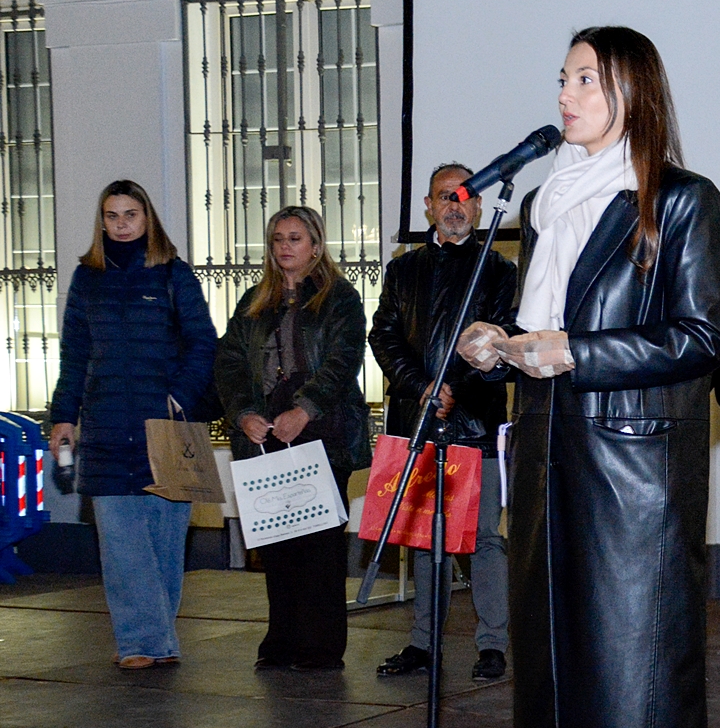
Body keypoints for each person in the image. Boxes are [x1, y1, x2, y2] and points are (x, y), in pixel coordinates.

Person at [457, 26, 720, 728]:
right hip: (542, 454)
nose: (564, 93)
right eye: (562, 77)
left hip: (633, 481)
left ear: (630, 93)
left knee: (631, 690)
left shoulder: (680, 200)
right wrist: (496, 340)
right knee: (551, 680)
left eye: (584, 78)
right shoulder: (545, 201)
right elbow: (544, 317)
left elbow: (699, 337)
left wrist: (575, 353)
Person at [49, 180, 218, 670]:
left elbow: (204, 344)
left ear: (147, 219)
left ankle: (158, 640)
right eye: (112, 215)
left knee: (165, 544)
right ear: (102, 222)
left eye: (131, 214)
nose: (121, 223)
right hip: (104, 428)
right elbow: (74, 354)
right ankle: (140, 642)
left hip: (167, 430)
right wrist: (64, 415)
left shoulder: (174, 274)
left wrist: (177, 397)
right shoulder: (87, 278)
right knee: (122, 544)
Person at [370, 162, 517, 683]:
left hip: (476, 423)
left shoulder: (500, 271)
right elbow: (382, 337)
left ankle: (493, 646)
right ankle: (423, 645)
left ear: (478, 207)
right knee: (423, 538)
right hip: (417, 421)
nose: (455, 206)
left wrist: (457, 387)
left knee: (483, 540)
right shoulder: (402, 270)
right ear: (428, 207)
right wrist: (422, 386)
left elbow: (505, 344)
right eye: (444, 197)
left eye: (465, 197)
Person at [215, 206, 372, 671]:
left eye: (296, 238)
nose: (285, 246)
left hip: (321, 435)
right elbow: (228, 365)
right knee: (277, 546)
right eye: (279, 239)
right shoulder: (252, 301)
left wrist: (304, 409)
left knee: (319, 547)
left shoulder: (340, 298)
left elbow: (343, 362)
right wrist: (244, 414)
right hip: (266, 439)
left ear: (317, 246)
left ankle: (321, 647)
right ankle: (281, 641)